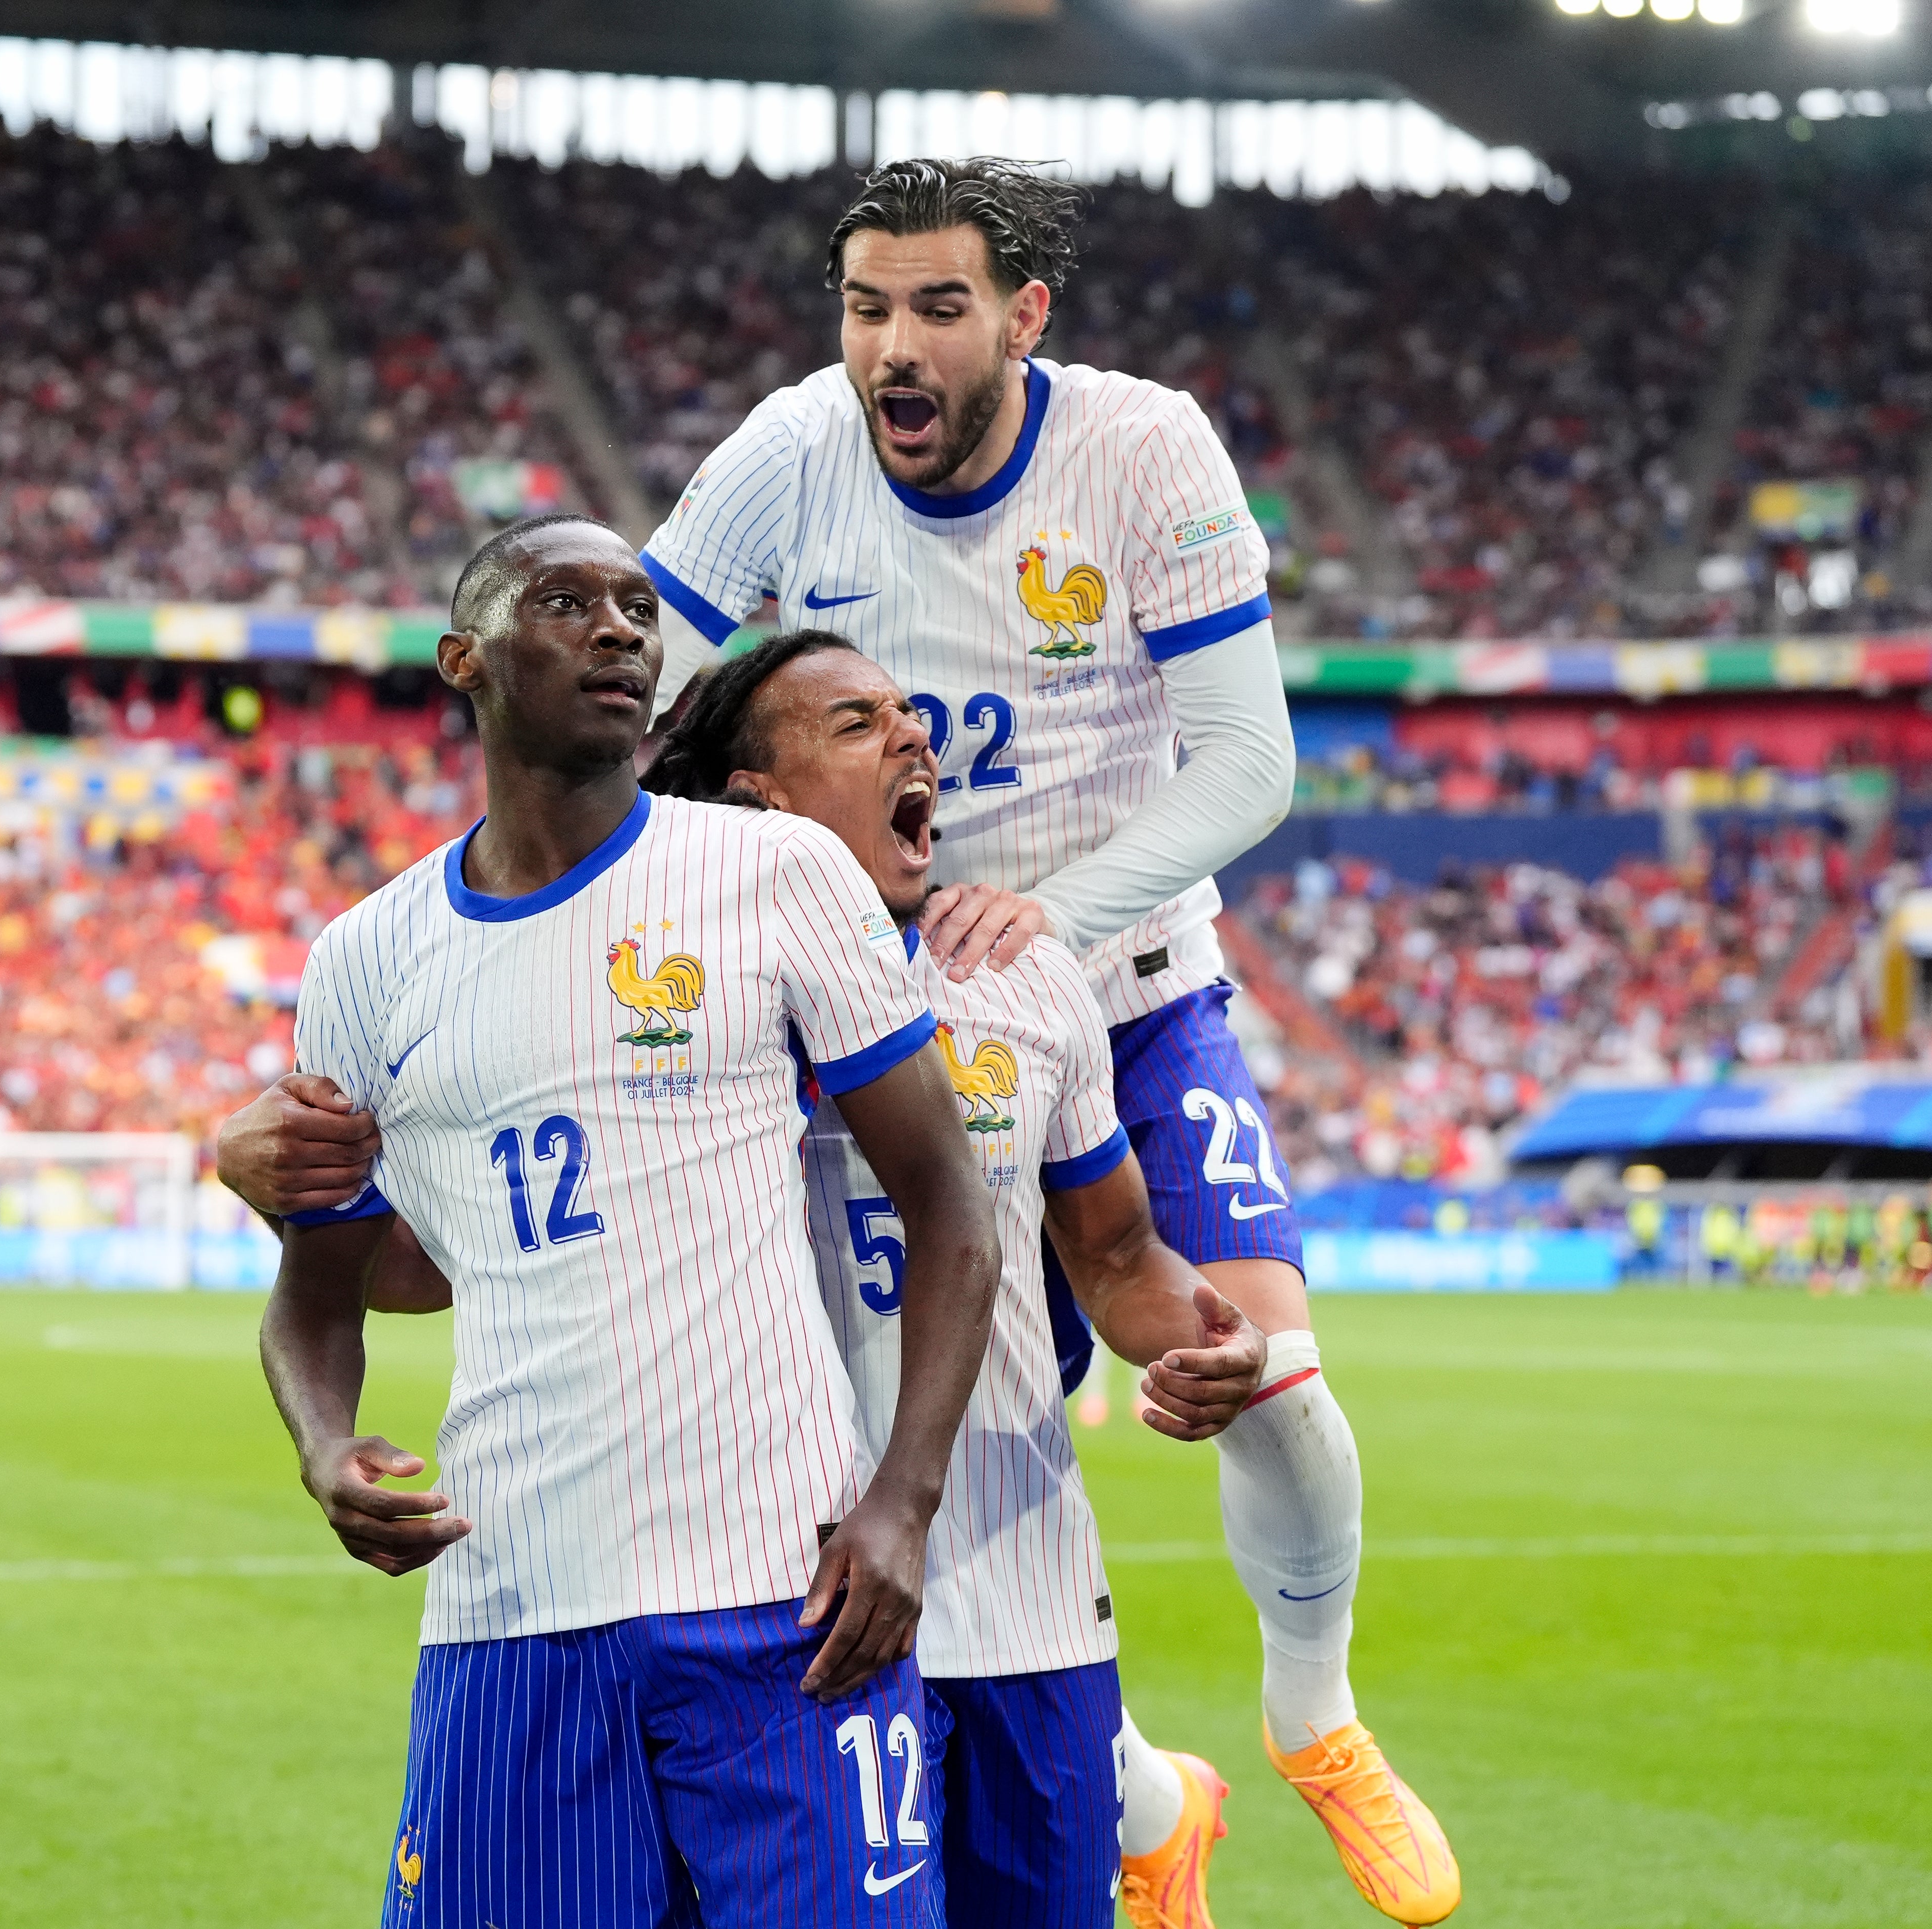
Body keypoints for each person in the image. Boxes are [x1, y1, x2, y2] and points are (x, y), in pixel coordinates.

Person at [224, 160, 1458, 1928]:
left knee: (1264, 1368)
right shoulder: (783, 457)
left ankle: (1313, 1714)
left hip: (1106, 975)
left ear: (1022, 319)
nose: (892, 343)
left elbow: (1248, 766)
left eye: (936, 307)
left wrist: (1049, 921)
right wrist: (467, 962)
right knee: (876, 1442)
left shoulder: (1144, 451)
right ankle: (1132, 1801)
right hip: (845, 989)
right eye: (865, 306)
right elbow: (607, 691)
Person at [352, 628, 1274, 1929]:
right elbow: (469, 1249)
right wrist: (290, 1173)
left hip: (1016, 1609)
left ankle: (1143, 1797)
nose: (915, 737)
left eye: (908, 713)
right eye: (854, 724)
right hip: (759, 1614)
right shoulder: (650, 995)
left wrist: (1194, 1334)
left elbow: (1117, 1254)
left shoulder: (1020, 979)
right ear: (754, 797)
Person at [257, 515, 1003, 1928]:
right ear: (462, 661)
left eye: (635, 608)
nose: (619, 630)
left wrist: (903, 1502)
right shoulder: (364, 960)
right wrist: (321, 1447)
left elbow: (950, 1209)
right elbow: (320, 1288)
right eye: (565, 603)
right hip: (510, 1608)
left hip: (783, 1602)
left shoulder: (770, 876)